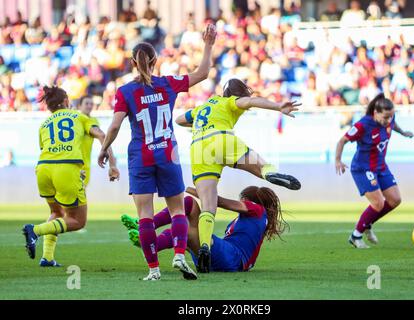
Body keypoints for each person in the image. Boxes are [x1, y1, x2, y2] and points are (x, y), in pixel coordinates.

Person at [98, 24, 217, 281]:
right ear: (155, 61)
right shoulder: (168, 84)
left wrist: (104, 149)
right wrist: (208, 44)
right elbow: (203, 73)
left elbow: (116, 125)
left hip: (141, 157)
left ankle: (153, 270)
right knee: (176, 211)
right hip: (168, 155)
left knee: (145, 216)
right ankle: (179, 255)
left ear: (132, 62)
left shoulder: (125, 91)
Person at [175, 78, 301, 273]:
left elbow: (179, 120)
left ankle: (205, 246)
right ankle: (268, 173)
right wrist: (277, 106)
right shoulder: (230, 102)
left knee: (208, 206)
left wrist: (199, 124)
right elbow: (251, 102)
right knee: (259, 165)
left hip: (198, 147)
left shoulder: (205, 105)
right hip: (221, 139)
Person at [22, 86, 116, 265]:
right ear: (66, 102)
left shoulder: (44, 124)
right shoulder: (80, 117)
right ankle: (35, 230)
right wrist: (112, 163)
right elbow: (102, 135)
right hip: (66, 170)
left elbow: (46, 149)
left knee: (56, 212)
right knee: (78, 221)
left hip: (43, 170)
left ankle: (47, 257)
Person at [121, 186, 287, 272]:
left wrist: (189, 188)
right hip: (225, 259)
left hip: (231, 258)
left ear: (248, 200)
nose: (240, 202)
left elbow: (221, 201)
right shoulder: (254, 221)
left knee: (187, 209)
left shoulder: (257, 209)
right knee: (185, 216)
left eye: (242, 200)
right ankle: (149, 235)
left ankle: (148, 235)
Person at [335, 93, 414, 248]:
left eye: (391, 116)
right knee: (378, 204)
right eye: (385, 117)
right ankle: (356, 236)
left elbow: (394, 125)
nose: (389, 120)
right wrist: (338, 160)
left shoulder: (389, 120)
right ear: (375, 113)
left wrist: (403, 132)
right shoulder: (362, 125)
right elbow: (342, 140)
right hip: (363, 168)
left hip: (381, 166)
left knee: (395, 200)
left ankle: (367, 224)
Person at [77, 95, 119, 186]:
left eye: (91, 104)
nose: (89, 106)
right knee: (79, 198)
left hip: (67, 165)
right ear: (79, 106)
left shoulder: (73, 119)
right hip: (81, 167)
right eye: (86, 103)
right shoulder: (89, 120)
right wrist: (112, 164)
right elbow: (103, 136)